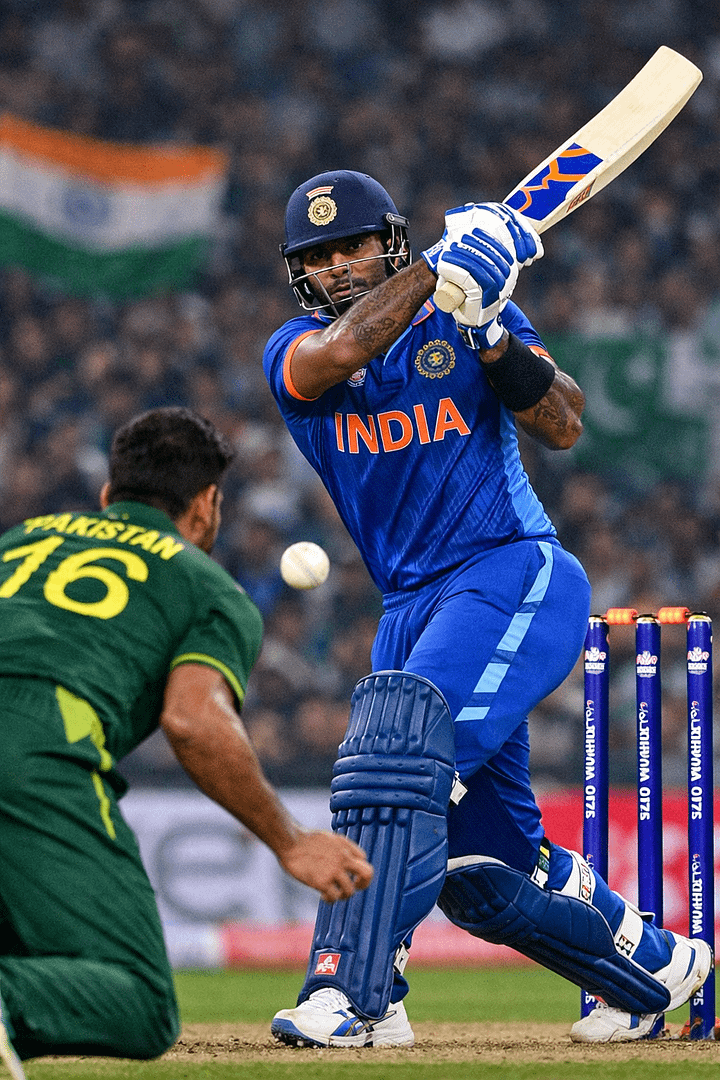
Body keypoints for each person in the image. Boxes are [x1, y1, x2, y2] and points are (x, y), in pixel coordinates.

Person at [262, 171, 712, 1047]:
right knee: (481, 874)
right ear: (299, 274)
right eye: (318, 257)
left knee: (395, 759)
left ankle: (355, 994)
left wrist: (492, 334)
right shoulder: (293, 348)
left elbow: (565, 423)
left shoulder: (465, 315)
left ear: (387, 243)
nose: (337, 266)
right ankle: (655, 971)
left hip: (509, 573)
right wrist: (442, 263)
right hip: (412, 610)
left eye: (353, 246)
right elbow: (344, 351)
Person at [0, 406, 372, 1076]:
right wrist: (290, 840)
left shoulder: (22, 540)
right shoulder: (208, 589)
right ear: (206, 505)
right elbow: (193, 722)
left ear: (109, 494)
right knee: (138, 1001)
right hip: (35, 751)